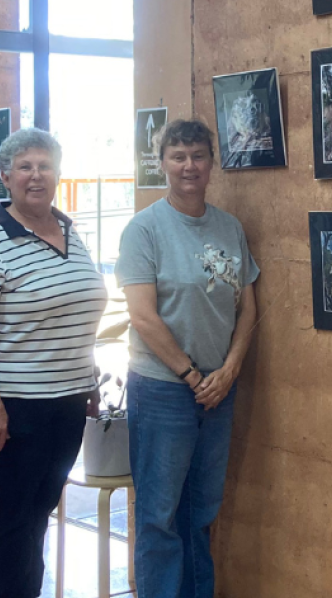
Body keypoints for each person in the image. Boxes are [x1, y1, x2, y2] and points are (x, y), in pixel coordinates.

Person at [0, 128, 108, 598]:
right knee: (13, 515)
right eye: (25, 167)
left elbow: (76, 311)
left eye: (45, 166)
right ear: (5, 177)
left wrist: (88, 378)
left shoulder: (70, 230)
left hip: (65, 395)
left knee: (40, 507)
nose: (36, 176)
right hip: (9, 400)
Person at [116, 119, 260, 598]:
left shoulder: (229, 227)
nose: (189, 166)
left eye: (198, 155)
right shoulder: (144, 230)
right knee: (159, 516)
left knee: (201, 512)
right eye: (178, 157)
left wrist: (231, 369)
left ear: (211, 163)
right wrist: (193, 375)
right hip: (164, 389)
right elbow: (143, 316)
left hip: (219, 390)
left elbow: (249, 308)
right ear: (162, 165)